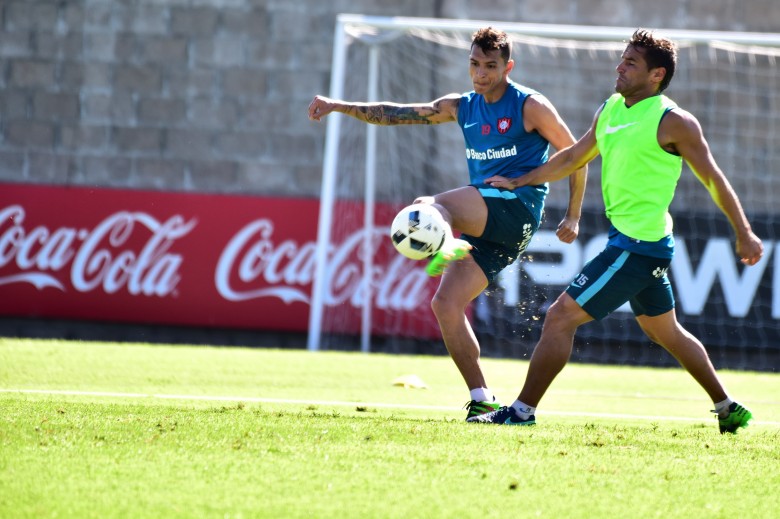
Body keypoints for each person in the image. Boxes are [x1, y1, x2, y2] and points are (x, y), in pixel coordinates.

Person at [469, 29, 763, 433]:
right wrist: (523, 181)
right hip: (640, 243)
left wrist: (744, 232)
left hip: (638, 247)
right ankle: (728, 406)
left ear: (657, 75)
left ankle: (521, 410)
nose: (619, 67)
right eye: (621, 59)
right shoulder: (611, 108)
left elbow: (714, 178)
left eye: (630, 63)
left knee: (559, 318)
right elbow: (575, 154)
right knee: (665, 331)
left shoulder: (673, 121)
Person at [308, 27, 587, 420]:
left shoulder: (529, 105)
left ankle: (444, 241)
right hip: (494, 230)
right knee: (446, 304)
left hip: (517, 207)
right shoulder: (461, 106)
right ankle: (481, 398)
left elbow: (578, 155)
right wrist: (339, 105)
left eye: (491, 66)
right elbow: (397, 114)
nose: (481, 74)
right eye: (475, 64)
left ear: (508, 67)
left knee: (433, 204)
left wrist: (572, 214)